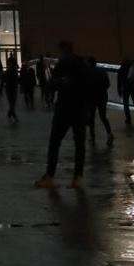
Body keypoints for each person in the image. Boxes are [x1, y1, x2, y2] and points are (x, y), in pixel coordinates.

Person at [34, 41, 94, 188]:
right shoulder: (82, 65)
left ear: (63, 50)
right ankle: (77, 177)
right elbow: (88, 87)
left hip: (64, 108)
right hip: (79, 109)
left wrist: (59, 82)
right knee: (79, 143)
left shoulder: (62, 65)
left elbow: (52, 85)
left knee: (55, 142)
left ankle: (50, 176)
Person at [1, 53, 21, 124]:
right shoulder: (13, 72)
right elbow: (18, 79)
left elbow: (3, 81)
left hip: (9, 88)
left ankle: (10, 113)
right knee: (12, 102)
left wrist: (0, 90)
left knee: (11, 102)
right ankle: (13, 114)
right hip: (13, 88)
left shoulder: (7, 72)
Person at [117, 59, 134, 127]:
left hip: (125, 88)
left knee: (126, 104)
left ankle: (128, 118)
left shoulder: (121, 69)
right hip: (132, 88)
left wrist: (119, 91)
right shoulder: (132, 69)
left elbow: (119, 81)